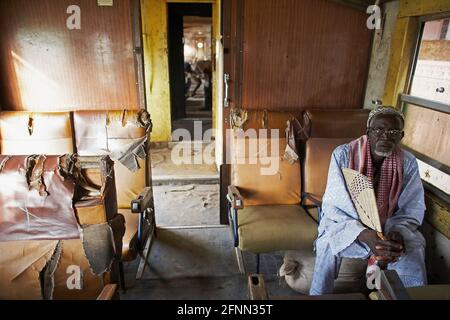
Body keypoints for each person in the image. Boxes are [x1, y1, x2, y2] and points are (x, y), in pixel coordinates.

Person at [310, 106, 427, 295]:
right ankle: (319, 295)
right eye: (379, 130)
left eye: (393, 132)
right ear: (368, 132)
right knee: (327, 244)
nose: (385, 136)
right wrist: (363, 233)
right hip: (348, 225)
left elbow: (411, 208)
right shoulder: (343, 155)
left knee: (414, 247)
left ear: (401, 136)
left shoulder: (408, 162)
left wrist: (397, 233)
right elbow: (334, 206)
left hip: (388, 227)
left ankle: (401, 295)